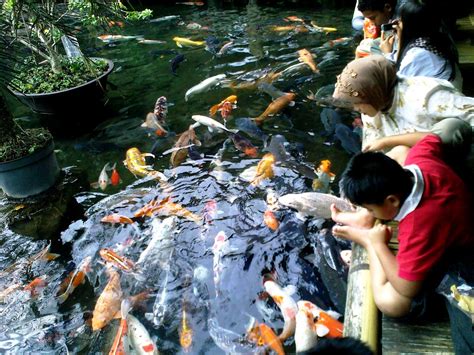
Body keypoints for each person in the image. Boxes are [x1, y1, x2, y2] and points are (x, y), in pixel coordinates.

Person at [330, 130, 473, 318]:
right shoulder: (420, 158)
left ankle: (367, 239)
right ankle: (364, 219)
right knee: (401, 150)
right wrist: (386, 140)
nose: (372, 212)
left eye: (370, 210)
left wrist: (378, 244)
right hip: (458, 213)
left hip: (461, 250)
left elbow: (406, 288)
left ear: (392, 201)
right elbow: (429, 138)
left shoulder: (416, 229)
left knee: (391, 302)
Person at [332, 55, 474, 149]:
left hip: (450, 161)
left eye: (356, 102)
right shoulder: (375, 106)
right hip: (408, 170)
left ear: (373, 91)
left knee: (451, 128)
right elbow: (371, 148)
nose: (355, 108)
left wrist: (389, 142)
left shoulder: (426, 96)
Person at [384, 0, 463, 90]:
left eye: (400, 21)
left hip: (438, 99)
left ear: (409, 26)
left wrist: (387, 55)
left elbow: (398, 87)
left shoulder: (417, 54)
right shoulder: (436, 39)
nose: (397, 25)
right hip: (447, 92)